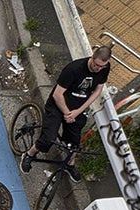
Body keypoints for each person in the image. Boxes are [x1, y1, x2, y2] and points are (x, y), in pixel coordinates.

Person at [21, 46, 111, 182]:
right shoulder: (73, 69)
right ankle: (29, 154)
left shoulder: (104, 68)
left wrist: (77, 112)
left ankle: (70, 164)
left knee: (74, 141)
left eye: (102, 67)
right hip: (59, 105)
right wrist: (67, 113)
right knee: (48, 138)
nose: (98, 69)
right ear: (92, 57)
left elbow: (97, 91)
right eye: (96, 65)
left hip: (77, 108)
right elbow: (57, 95)